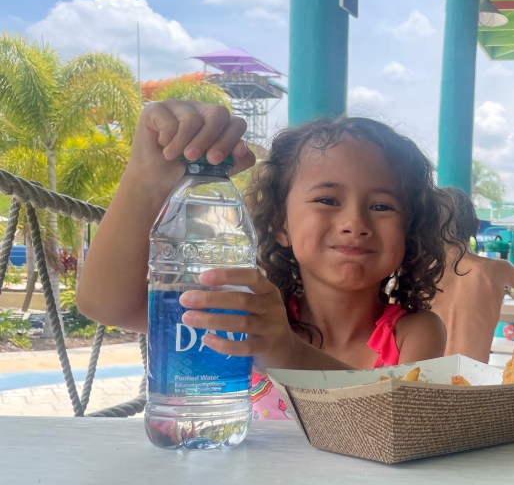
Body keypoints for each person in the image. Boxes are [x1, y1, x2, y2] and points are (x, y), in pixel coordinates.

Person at [77, 100, 456, 419]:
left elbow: (403, 418)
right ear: (280, 224)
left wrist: (287, 352)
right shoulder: (244, 317)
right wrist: (147, 179)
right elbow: (106, 304)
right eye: (327, 200)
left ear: (409, 231)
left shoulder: (414, 332)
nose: (355, 223)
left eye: (382, 206)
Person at [431, 188, 514, 362]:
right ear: (476, 226)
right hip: (472, 377)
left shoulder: (415, 276)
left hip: (421, 376)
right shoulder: (494, 269)